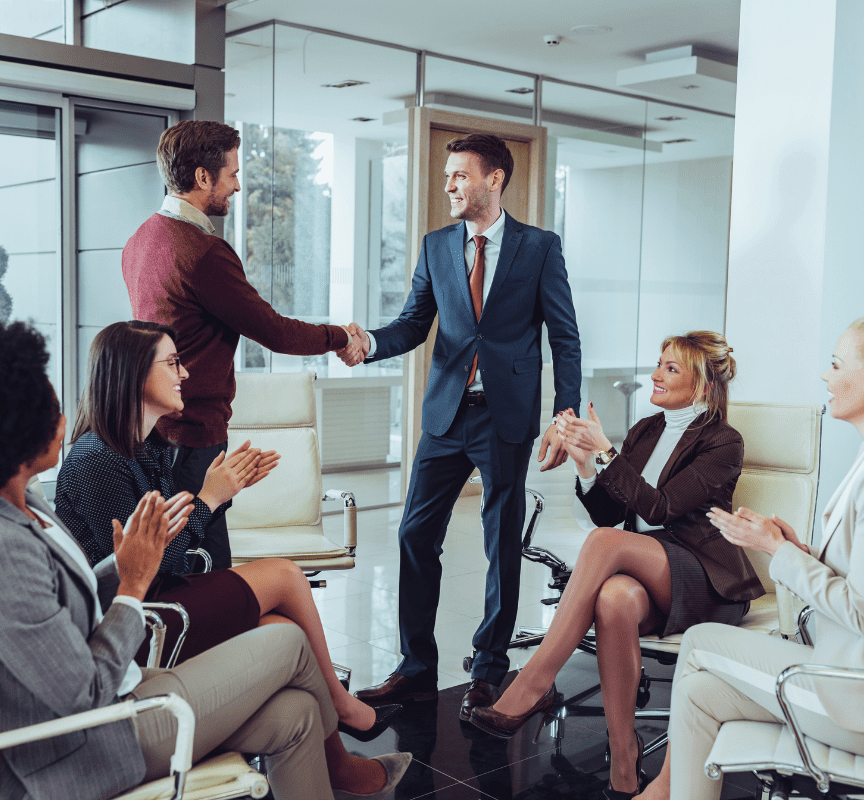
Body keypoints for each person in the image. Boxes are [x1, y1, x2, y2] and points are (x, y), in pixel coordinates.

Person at [0, 316, 408, 800]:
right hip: (96, 744)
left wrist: (126, 563)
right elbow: (86, 692)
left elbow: (84, 585)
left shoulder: (15, 503)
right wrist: (132, 584)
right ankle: (344, 720)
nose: (62, 420)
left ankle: (339, 757)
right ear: (6, 432)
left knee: (297, 711)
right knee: (290, 638)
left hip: (126, 695)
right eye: (46, 410)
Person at [636, 313, 864, 800]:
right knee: (697, 692)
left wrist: (777, 551)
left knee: (700, 641)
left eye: (837, 364)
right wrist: (797, 549)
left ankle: (661, 793)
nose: (826, 375)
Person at [54, 319, 400, 745]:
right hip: (136, 625)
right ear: (134, 374)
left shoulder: (148, 446)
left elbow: (171, 549)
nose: (184, 374)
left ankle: (339, 761)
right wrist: (209, 499)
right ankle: (342, 709)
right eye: (173, 363)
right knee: (287, 576)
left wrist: (218, 494)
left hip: (159, 598)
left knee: (284, 631)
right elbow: (143, 570)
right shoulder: (98, 459)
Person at [343, 133, 583, 721]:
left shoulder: (539, 248)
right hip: (446, 415)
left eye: (459, 175)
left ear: (494, 179)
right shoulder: (436, 246)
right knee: (413, 534)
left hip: (506, 416)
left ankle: (489, 669)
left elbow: (564, 336)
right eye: (447, 176)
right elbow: (413, 324)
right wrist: (369, 343)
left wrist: (565, 412)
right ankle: (417, 668)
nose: (449, 185)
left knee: (499, 541)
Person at [469, 331, 764, 799]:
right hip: (646, 575)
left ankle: (536, 680)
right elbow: (611, 513)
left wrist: (606, 452)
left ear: (704, 385)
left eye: (671, 368)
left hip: (704, 576)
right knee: (613, 597)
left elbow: (662, 510)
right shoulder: (647, 428)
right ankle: (624, 757)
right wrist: (588, 463)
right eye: (659, 364)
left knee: (606, 543)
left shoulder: (723, 442)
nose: (655, 374)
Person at [122, 120, 362, 571]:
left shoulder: (139, 241)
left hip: (158, 430)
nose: (237, 185)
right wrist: (342, 337)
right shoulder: (203, 252)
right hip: (194, 435)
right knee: (204, 563)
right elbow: (274, 331)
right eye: (231, 173)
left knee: (177, 555)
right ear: (201, 177)